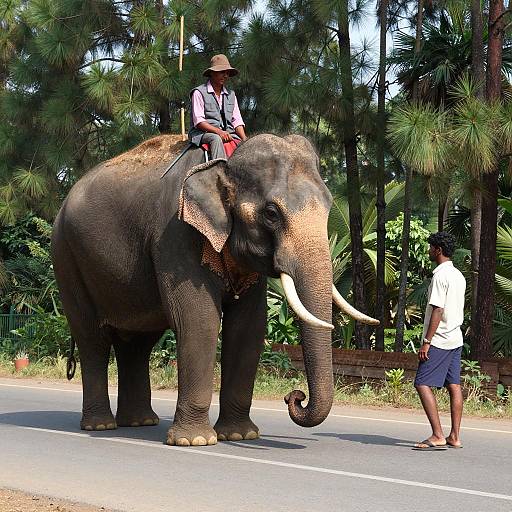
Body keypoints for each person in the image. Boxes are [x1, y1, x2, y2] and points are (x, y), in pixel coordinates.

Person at [413, 231, 466, 450]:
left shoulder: (440, 276)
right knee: (454, 385)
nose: (428, 251)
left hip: (440, 339)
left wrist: (427, 341)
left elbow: (437, 309)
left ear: (438, 250)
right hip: (456, 337)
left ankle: (437, 434)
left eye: (430, 247)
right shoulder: (458, 275)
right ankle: (455, 436)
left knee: (422, 383)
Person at [188, 54, 247, 159]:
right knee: (216, 139)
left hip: (228, 134)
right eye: (222, 72)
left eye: (227, 73)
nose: (225, 76)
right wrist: (219, 132)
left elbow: (237, 121)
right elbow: (199, 122)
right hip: (203, 134)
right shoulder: (198, 92)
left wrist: (245, 140)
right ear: (212, 73)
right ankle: (218, 169)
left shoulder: (231, 95)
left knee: (246, 147)